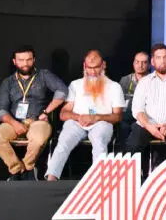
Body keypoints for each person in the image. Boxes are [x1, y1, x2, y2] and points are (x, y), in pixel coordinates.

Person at [45, 50, 125, 180]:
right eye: (89, 68)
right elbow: (63, 114)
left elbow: (118, 116)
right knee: (63, 141)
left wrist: (96, 117)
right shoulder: (75, 85)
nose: (93, 72)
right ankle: (51, 178)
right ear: (84, 66)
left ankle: (99, 181)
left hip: (102, 122)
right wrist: (78, 117)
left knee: (99, 142)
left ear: (103, 65)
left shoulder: (115, 87)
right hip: (77, 122)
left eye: (96, 67)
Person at [0, 46, 67, 180]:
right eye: (21, 60)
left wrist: (46, 111)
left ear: (34, 60)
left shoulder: (44, 75)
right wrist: (14, 123)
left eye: (28, 60)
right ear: (14, 61)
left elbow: (62, 91)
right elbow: (1, 110)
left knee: (38, 139)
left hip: (38, 121)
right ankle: (16, 169)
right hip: (14, 121)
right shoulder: (8, 82)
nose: (25, 64)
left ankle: (28, 167)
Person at [124, 43, 166, 167]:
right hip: (147, 125)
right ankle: (136, 176)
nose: (162, 61)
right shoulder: (144, 82)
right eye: (158, 58)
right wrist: (149, 126)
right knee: (133, 143)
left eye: (165, 57)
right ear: (153, 61)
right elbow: (137, 109)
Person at [118, 51, 150, 146]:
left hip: (146, 117)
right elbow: (119, 101)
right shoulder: (125, 80)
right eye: (137, 62)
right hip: (127, 116)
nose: (140, 65)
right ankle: (124, 153)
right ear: (133, 64)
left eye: (144, 62)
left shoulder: (153, 80)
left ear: (149, 65)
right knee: (123, 126)